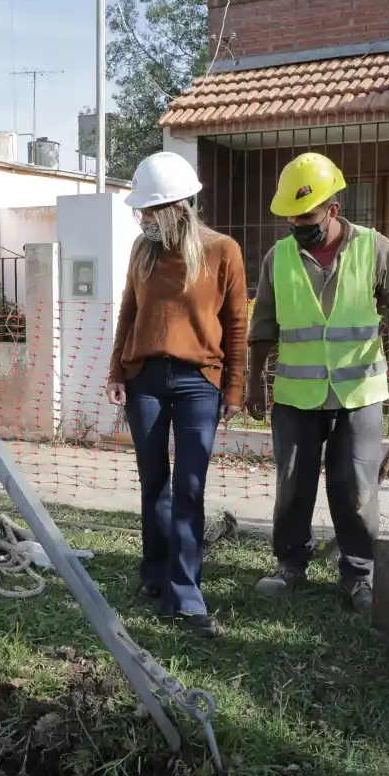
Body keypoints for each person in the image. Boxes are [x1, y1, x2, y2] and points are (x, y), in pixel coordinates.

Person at [245, 153, 389, 614]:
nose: (298, 225)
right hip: (296, 395)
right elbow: (263, 323)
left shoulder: (375, 248)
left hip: (359, 392)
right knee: (293, 484)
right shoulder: (277, 257)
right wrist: (253, 382)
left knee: (356, 488)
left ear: (333, 210)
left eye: (307, 217)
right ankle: (290, 564)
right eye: (292, 218)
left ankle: (358, 574)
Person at [105, 151, 247, 639]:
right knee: (154, 484)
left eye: (148, 211)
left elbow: (236, 324)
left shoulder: (222, 251)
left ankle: (185, 595)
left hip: (197, 383)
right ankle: (155, 573)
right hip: (144, 379)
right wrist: (117, 372)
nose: (141, 219)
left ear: (177, 209)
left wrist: (233, 386)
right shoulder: (142, 253)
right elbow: (128, 312)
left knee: (189, 488)